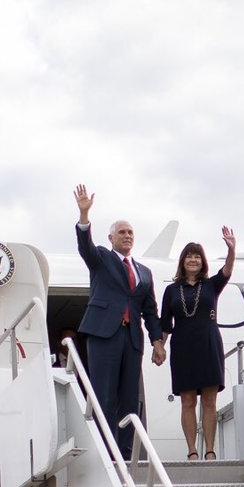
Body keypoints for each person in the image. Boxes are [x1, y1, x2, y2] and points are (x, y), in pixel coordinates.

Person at [73, 184, 166, 460]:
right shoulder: (101, 258)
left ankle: (127, 452)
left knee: (129, 398)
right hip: (104, 334)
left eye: (130, 233)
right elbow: (85, 247)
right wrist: (83, 215)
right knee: (104, 393)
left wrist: (157, 342)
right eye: (122, 232)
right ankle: (106, 448)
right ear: (111, 237)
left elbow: (150, 310)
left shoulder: (144, 272)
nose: (127, 236)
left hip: (131, 339)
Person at [159, 227, 236, 460]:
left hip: (208, 344)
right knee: (188, 401)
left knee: (210, 400)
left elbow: (228, 270)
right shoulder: (171, 290)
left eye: (197, 256)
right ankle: (192, 451)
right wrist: (159, 346)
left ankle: (210, 451)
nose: (193, 260)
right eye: (189, 256)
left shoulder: (212, 285)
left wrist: (232, 249)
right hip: (183, 347)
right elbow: (165, 323)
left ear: (203, 262)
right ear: (182, 261)